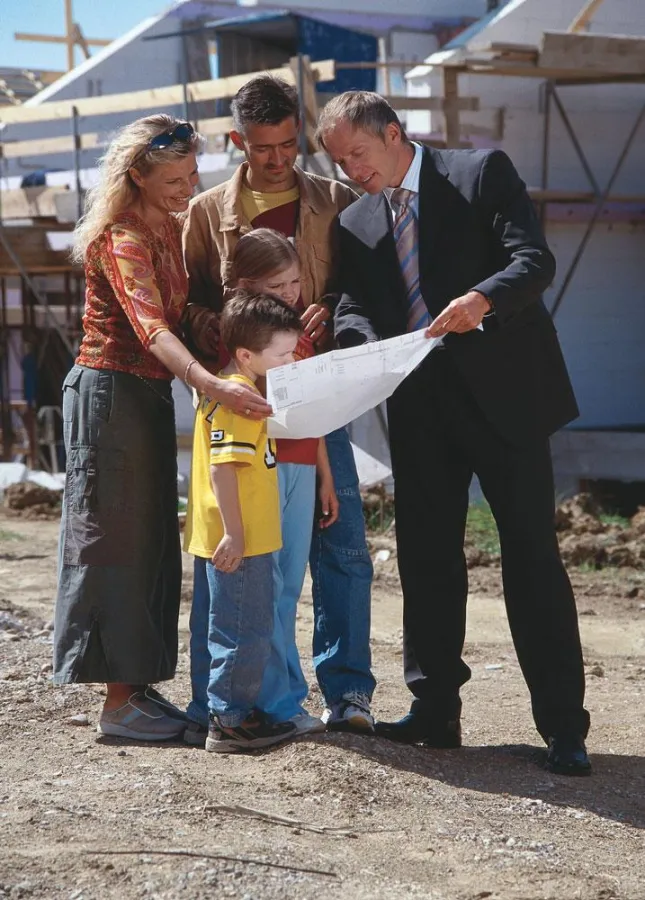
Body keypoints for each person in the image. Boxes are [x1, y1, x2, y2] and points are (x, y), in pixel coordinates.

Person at [317, 91, 591, 775]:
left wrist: (481, 300)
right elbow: (351, 302)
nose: (351, 170)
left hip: (506, 399)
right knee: (427, 559)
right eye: (338, 160)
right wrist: (361, 343)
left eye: (357, 153)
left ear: (392, 133)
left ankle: (562, 725)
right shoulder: (353, 221)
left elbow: (532, 261)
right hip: (418, 406)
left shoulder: (478, 174)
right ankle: (434, 710)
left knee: (530, 557)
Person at [53, 114, 270, 742]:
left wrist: (251, 338)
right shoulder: (123, 238)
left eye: (192, 173)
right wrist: (208, 381)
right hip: (108, 395)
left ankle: (137, 687)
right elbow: (152, 328)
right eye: (172, 178)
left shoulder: (170, 227)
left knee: (150, 541)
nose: (186, 186)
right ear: (138, 178)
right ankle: (118, 704)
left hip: (143, 394)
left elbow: (184, 314)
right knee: (116, 542)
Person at [183, 74, 376, 732]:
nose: (278, 158)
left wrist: (333, 314)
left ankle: (345, 694)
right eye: (264, 148)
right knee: (238, 555)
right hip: (247, 401)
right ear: (239, 140)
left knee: (341, 543)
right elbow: (191, 303)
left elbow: (358, 287)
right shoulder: (207, 212)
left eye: (290, 144)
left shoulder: (333, 198)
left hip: (314, 393)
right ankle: (221, 704)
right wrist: (230, 335)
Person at [183, 290, 303, 752]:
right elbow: (223, 468)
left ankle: (206, 711)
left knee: (214, 627)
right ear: (247, 355)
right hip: (241, 541)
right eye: (284, 353)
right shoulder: (242, 399)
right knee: (244, 629)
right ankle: (230, 720)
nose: (290, 360)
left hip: (215, 536)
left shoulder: (221, 389)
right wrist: (236, 532)